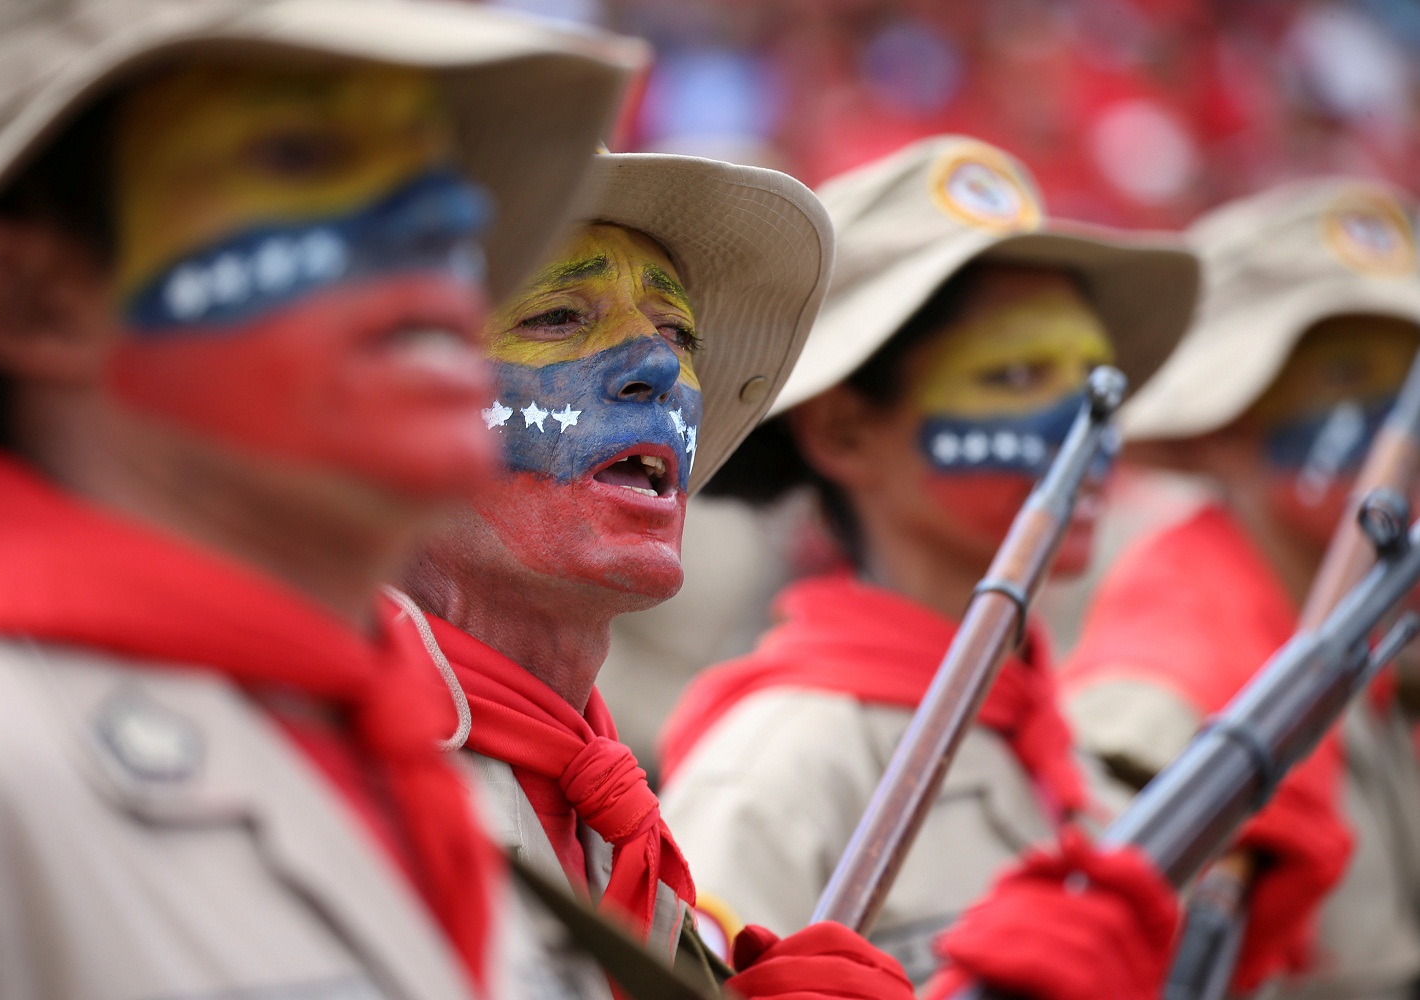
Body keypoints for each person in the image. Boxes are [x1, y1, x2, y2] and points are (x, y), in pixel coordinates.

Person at [0, 1, 644, 997]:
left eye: (433, 168)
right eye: (304, 155)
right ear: (28, 298)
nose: (453, 218)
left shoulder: (385, 762)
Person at [653, 136, 1348, 997]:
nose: (1089, 425)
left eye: (1099, 381)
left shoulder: (1072, 767)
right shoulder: (778, 775)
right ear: (842, 432)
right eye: (1017, 374)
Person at [391, 150, 921, 1000]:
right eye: (560, 316)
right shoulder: (325, 778)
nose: (661, 368)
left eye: (679, 334)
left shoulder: (606, 819)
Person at [1063, 177, 1420, 1000]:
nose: (1399, 424)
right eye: (1348, 375)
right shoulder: (1167, 702)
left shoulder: (1364, 631)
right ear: (1224, 426)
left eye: (1410, 381)